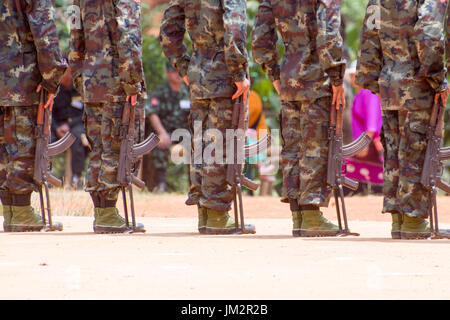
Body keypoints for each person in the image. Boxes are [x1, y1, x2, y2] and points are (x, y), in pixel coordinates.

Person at [160, 0, 256, 234]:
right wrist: (238, 71)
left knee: (201, 143)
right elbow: (234, 28)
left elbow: (168, 30)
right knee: (221, 144)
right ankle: (216, 215)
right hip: (224, 74)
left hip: (198, 73)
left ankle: (205, 212)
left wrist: (185, 68)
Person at [252, 0, 346, 237]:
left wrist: (274, 73)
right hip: (317, 77)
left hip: (289, 76)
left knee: (293, 147)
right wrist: (336, 77)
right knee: (315, 147)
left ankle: (299, 215)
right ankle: (311, 216)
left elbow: (260, 37)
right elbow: (328, 34)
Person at [356, 0, 450, 239]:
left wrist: (371, 80)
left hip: (389, 82)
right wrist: (439, 79)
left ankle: (399, 218)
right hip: (419, 83)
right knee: (416, 152)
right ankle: (413, 220)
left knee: (395, 150)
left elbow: (369, 36)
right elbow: (429, 34)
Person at [69, 0, 147, 233]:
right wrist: (133, 83)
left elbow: (74, 37)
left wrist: (79, 78)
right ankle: (107, 215)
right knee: (114, 146)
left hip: (91, 80)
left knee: (99, 148)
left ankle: (103, 212)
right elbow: (128, 35)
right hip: (117, 81)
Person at [0, 0, 67, 232]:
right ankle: (20, 211)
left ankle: (10, 209)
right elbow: (44, 28)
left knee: (3, 146)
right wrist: (52, 78)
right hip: (20, 76)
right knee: (22, 144)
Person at [145, 62, 190, 194]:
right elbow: (152, 113)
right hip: (166, 132)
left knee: (200, 145)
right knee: (159, 143)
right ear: (167, 73)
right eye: (174, 71)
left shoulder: (189, 92)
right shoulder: (160, 92)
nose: (177, 74)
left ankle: (195, 185)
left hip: (184, 133)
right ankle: (161, 184)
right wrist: (162, 133)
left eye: (180, 71)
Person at [344, 61, 383, 196]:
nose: (353, 78)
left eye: (356, 75)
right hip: (362, 140)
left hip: (369, 141)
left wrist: (364, 144)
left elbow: (372, 121)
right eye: (352, 75)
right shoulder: (359, 94)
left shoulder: (369, 93)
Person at [51, 66, 89, 190]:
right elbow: (49, 113)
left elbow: (84, 113)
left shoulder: (79, 89)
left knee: (78, 138)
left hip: (75, 125)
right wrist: (57, 127)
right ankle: (45, 173)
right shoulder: (54, 90)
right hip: (56, 126)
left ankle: (76, 178)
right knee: (45, 139)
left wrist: (68, 126)